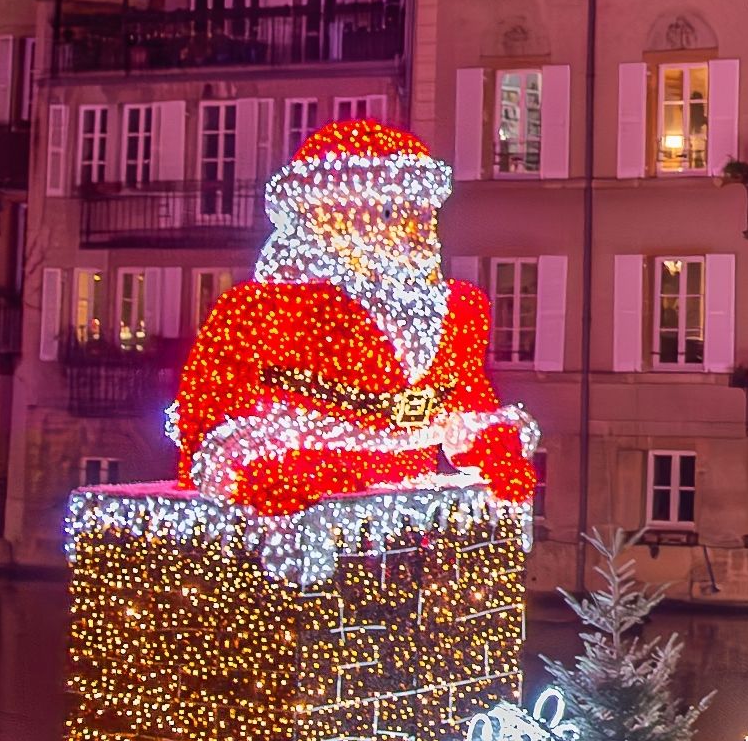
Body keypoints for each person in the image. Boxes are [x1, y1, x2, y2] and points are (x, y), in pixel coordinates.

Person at [168, 118, 539, 515]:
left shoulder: (457, 310)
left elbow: (468, 401)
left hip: (409, 508)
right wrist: (249, 467)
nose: (417, 230)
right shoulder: (262, 310)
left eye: (425, 212)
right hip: (307, 508)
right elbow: (205, 414)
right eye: (392, 211)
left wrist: (491, 443)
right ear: (326, 217)